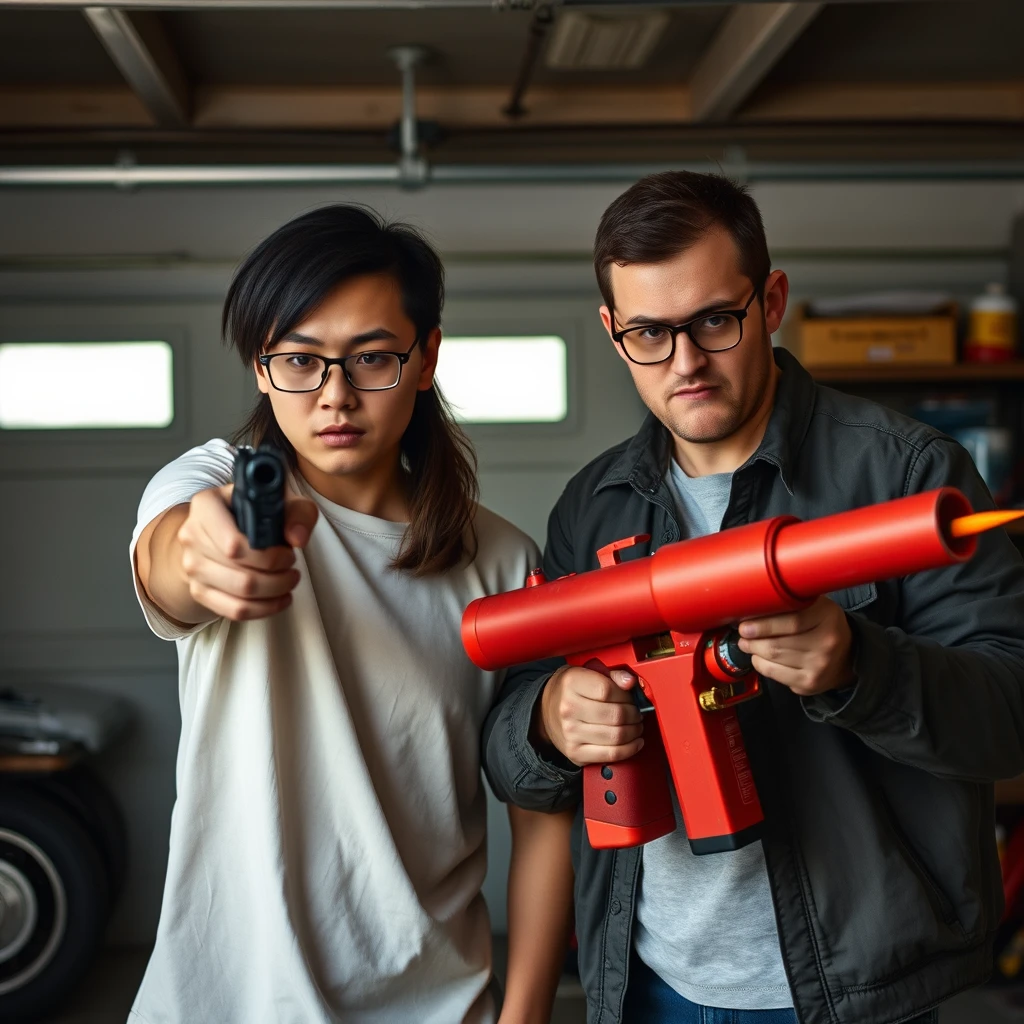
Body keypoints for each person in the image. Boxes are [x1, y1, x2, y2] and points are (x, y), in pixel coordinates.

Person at [481, 171, 1024, 1024]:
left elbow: (1011, 711)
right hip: (648, 983)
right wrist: (549, 721)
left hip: (867, 996)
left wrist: (859, 667)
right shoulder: (592, 508)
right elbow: (513, 750)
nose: (685, 362)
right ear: (611, 333)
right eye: (648, 334)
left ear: (770, 300)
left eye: (713, 321)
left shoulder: (909, 475)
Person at [129, 205, 574, 1024]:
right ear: (261, 370)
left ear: (426, 357)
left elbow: (543, 806)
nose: (334, 395)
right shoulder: (212, 483)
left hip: (439, 1003)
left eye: (371, 358)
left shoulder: (506, 563)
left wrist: (527, 1015)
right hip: (225, 1004)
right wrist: (209, 560)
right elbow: (174, 557)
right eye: (299, 360)